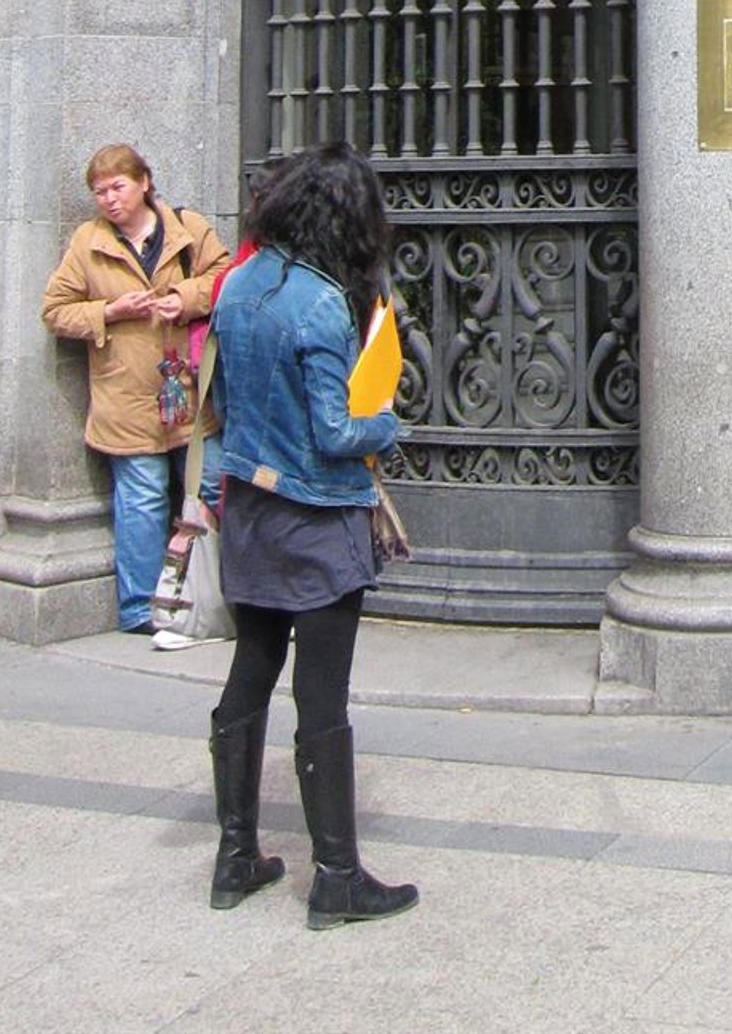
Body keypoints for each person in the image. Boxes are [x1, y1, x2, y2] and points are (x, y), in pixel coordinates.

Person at [205, 140, 418, 927]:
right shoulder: (324, 302)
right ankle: (336, 877)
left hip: (250, 511)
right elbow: (336, 432)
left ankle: (235, 858)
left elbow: (223, 402)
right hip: (318, 521)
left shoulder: (237, 283)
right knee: (322, 693)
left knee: (252, 666)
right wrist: (388, 420)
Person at [42, 144, 230, 642]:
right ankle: (141, 608)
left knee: (213, 485)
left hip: (188, 393)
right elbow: (55, 310)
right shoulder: (88, 242)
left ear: (144, 182)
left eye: (117, 187)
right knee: (142, 501)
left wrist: (183, 299)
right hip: (124, 398)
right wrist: (109, 311)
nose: (109, 199)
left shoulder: (187, 227)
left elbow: (225, 278)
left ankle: (229, 593)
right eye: (99, 191)